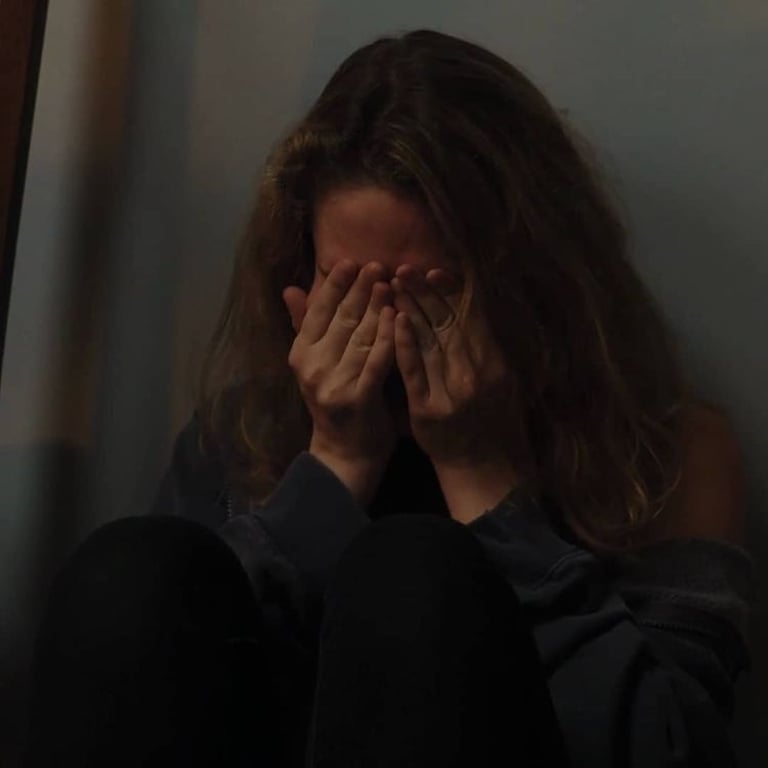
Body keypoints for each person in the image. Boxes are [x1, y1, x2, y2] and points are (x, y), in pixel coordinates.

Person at [25, 29, 753, 767]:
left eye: (433, 296)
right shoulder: (245, 433)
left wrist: (487, 485)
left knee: (411, 576)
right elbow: (172, 684)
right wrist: (333, 468)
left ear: (533, 281)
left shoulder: (666, 454)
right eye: (350, 290)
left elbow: (671, 749)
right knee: (129, 570)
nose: (390, 336)